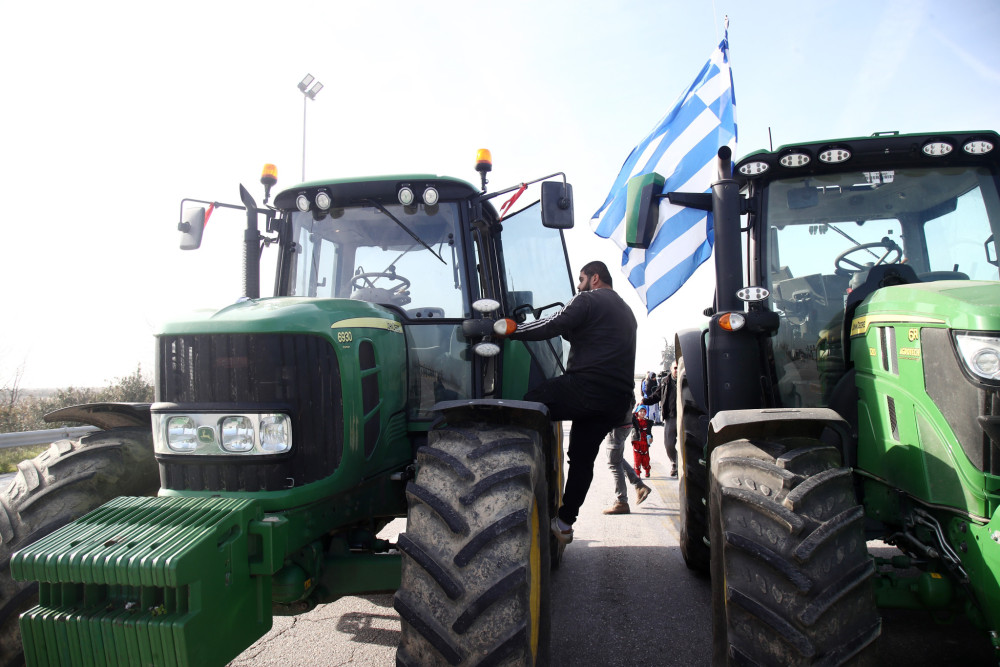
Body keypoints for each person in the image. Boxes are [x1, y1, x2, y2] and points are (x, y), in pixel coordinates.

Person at [501, 260, 638, 549]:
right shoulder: (626, 312)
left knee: (525, 406)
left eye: (581, 279)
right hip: (616, 400)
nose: (578, 286)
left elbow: (554, 323)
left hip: (586, 388)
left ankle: (517, 480)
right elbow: (594, 339)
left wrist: (511, 330)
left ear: (595, 278)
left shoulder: (588, 299)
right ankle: (564, 523)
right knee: (581, 458)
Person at [602, 398, 652, 515]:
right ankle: (639, 486)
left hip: (617, 424)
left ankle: (621, 502)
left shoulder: (612, 380)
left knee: (613, 462)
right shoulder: (625, 380)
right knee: (616, 459)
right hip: (625, 421)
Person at [643, 360, 678, 476]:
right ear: (671, 368)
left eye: (679, 368)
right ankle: (675, 463)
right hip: (671, 416)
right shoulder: (665, 382)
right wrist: (644, 401)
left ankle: (684, 466)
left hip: (687, 419)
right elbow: (657, 396)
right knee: (669, 444)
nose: (677, 370)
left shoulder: (687, 381)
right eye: (675, 368)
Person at [631, 406, 653, 477]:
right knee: (637, 459)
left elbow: (649, 433)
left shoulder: (648, 422)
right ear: (637, 412)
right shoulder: (635, 422)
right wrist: (635, 409)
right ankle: (637, 473)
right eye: (640, 411)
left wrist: (651, 438)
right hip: (636, 443)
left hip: (645, 443)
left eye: (644, 411)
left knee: (645, 459)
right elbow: (631, 416)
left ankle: (647, 470)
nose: (642, 413)